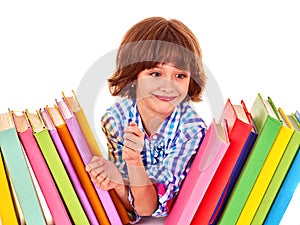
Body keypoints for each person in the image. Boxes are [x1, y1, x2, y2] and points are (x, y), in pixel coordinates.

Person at [86, 16, 207, 223]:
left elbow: (152, 208)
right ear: (134, 75)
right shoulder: (115, 119)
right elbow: (131, 204)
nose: (168, 86)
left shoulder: (191, 130)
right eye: (155, 73)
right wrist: (116, 182)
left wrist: (134, 162)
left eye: (180, 76)